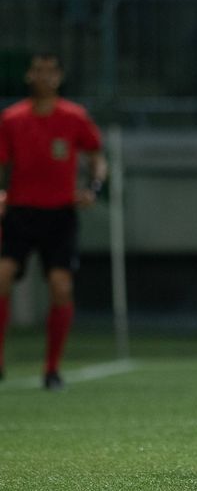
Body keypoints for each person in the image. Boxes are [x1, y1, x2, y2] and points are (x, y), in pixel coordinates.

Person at [0, 52, 106, 391]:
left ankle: (52, 369)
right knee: (1, 277)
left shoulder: (74, 117)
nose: (44, 76)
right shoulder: (12, 118)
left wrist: (93, 188)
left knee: (61, 286)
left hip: (60, 214)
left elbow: (96, 157)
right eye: (38, 70)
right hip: (20, 212)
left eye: (50, 71)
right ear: (29, 75)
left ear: (59, 77)